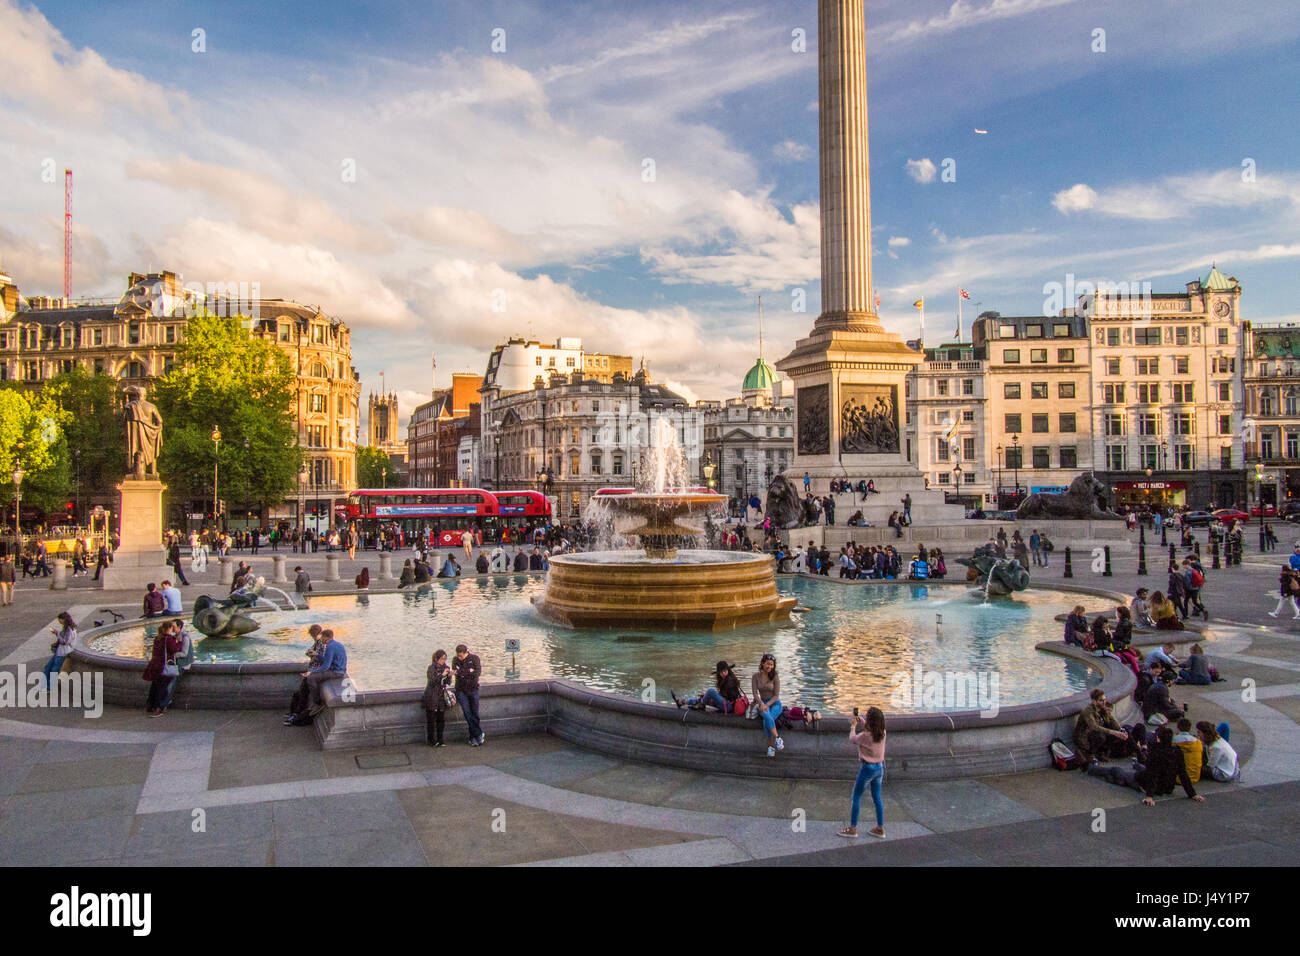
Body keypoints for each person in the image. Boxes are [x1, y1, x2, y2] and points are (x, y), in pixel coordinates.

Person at [838, 706, 886, 839]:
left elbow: (853, 739)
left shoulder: (865, 736)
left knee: (856, 797)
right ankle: (880, 828)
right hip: (879, 768)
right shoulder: (882, 732)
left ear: (871, 721)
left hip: (868, 769)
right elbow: (872, 729)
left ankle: (852, 829)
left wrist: (853, 726)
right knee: (877, 797)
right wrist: (862, 721)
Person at [1074, 688, 1141, 761]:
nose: (1104, 702)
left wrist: (1121, 730)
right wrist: (1114, 732)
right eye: (1101, 700)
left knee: (1125, 730)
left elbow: (1113, 722)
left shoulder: (1103, 709)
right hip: (1086, 738)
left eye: (1104, 699)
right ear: (1094, 701)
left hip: (1100, 734)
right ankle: (1091, 754)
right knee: (1100, 735)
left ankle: (1139, 753)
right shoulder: (1087, 711)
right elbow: (1094, 727)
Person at [284, 625, 327, 725]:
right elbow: (312, 652)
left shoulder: (323, 644)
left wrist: (315, 655)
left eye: (314, 635)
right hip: (311, 670)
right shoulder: (317, 642)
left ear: (319, 633)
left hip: (315, 671)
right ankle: (294, 713)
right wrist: (310, 653)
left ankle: (297, 714)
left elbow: (324, 659)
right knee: (300, 692)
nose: (313, 637)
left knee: (303, 692)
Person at [143, 621, 184, 717]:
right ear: (169, 629)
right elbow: (175, 649)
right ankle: (159, 708)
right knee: (163, 687)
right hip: (163, 666)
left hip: (154, 665)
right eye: (171, 628)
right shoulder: (168, 638)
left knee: (155, 686)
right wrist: (179, 642)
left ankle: (150, 705)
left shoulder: (158, 638)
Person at [672, 661, 742, 714]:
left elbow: (730, 697)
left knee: (710, 691)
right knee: (703, 698)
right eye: (721, 672)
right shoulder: (724, 680)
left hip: (729, 706)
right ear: (719, 673)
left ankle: (700, 705)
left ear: (728, 671)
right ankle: (681, 702)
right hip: (725, 704)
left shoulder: (730, 680)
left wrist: (713, 697)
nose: (723, 673)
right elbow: (722, 695)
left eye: (725, 671)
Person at [305, 629, 348, 717]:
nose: (321, 639)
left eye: (322, 637)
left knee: (311, 678)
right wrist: (316, 654)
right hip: (339, 670)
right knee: (313, 675)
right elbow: (328, 660)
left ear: (326, 637)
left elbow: (326, 666)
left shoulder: (330, 647)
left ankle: (317, 703)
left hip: (336, 672)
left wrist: (311, 672)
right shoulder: (337, 644)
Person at [752, 653, 784, 757]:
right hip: (762, 703)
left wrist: (767, 705)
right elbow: (755, 693)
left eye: (772, 665)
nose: (770, 667)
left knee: (767, 719)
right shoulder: (755, 676)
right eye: (768, 664)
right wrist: (761, 703)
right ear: (762, 663)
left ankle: (771, 747)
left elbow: (776, 695)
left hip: (775, 704)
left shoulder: (775, 676)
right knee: (766, 716)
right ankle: (777, 738)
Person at [452, 643, 484, 745]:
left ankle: (473, 737)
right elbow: (455, 673)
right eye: (458, 656)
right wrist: (468, 671)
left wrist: (461, 672)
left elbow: (477, 673)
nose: (459, 658)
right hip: (461, 690)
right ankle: (478, 733)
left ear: (466, 652)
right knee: (467, 713)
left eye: (461, 656)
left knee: (475, 713)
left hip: (473, 689)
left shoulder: (475, 658)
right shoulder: (455, 660)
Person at [423, 649, 454, 747]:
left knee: (441, 719)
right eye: (442, 659)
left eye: (445, 659)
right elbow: (432, 681)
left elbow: (448, 683)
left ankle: (440, 739)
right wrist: (442, 675)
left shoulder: (446, 667)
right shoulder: (431, 668)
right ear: (436, 658)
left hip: (441, 695)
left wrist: (449, 676)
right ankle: (431, 739)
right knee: (431, 719)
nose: (443, 661)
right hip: (432, 695)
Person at [43, 611, 77, 688]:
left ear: (64, 619)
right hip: (59, 652)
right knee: (48, 667)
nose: (59, 621)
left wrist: (57, 634)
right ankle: (45, 685)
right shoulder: (66, 628)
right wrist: (57, 633)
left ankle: (49, 687)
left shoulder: (69, 630)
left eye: (60, 620)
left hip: (63, 653)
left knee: (54, 670)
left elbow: (65, 641)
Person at [1172, 718, 1203, 783]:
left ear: (1178, 728)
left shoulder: (1174, 741)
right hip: (1195, 776)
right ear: (1189, 729)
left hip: (1179, 778)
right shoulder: (1198, 742)